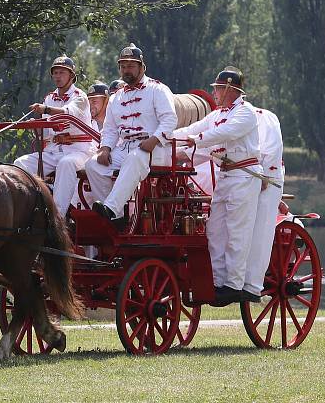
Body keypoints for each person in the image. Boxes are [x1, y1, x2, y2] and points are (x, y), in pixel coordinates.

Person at [172, 66, 262, 306]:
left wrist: (196, 141)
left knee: (237, 232)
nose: (215, 93)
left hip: (244, 175)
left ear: (232, 89)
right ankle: (218, 281)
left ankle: (233, 284)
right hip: (226, 176)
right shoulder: (218, 113)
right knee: (215, 231)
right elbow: (194, 129)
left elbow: (224, 133)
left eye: (219, 89)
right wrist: (167, 136)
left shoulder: (245, 113)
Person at [86, 43, 177, 220]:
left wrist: (154, 139)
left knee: (134, 158)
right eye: (123, 66)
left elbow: (170, 119)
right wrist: (105, 148)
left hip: (154, 148)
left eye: (131, 66)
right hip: (126, 147)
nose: (127, 70)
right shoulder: (115, 97)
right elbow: (110, 128)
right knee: (93, 165)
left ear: (142, 67)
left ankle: (111, 209)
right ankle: (116, 216)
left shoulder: (157, 89)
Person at [13, 55, 95, 216]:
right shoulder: (49, 98)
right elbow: (46, 133)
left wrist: (46, 110)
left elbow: (67, 114)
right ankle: (32, 209)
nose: (57, 76)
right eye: (55, 73)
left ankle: (57, 217)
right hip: (53, 151)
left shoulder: (80, 97)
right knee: (20, 164)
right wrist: (34, 126)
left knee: (66, 164)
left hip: (79, 152)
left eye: (61, 73)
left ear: (71, 76)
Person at [243, 105, 284, 302]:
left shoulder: (265, 117)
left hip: (266, 179)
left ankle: (252, 283)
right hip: (243, 178)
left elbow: (272, 150)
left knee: (261, 229)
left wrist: (265, 177)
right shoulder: (227, 117)